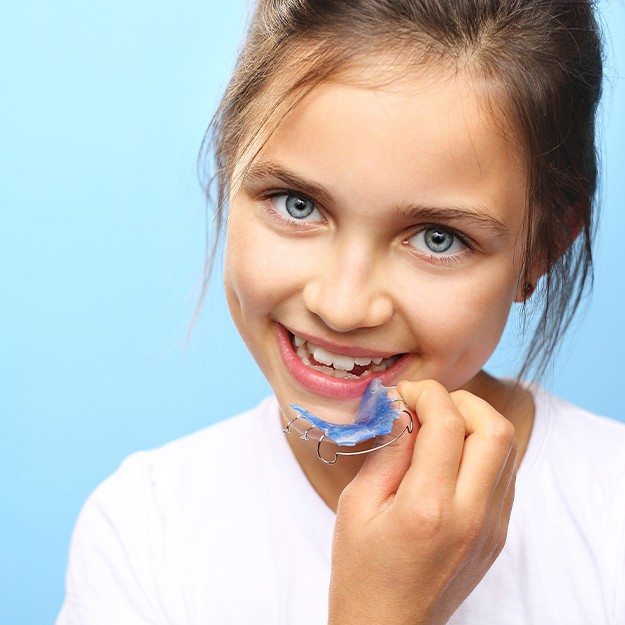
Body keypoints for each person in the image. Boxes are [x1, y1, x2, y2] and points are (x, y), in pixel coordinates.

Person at [56, 1, 625, 624]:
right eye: (297, 204)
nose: (343, 305)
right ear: (227, 165)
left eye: (438, 237)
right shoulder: (145, 530)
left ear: (539, 251)